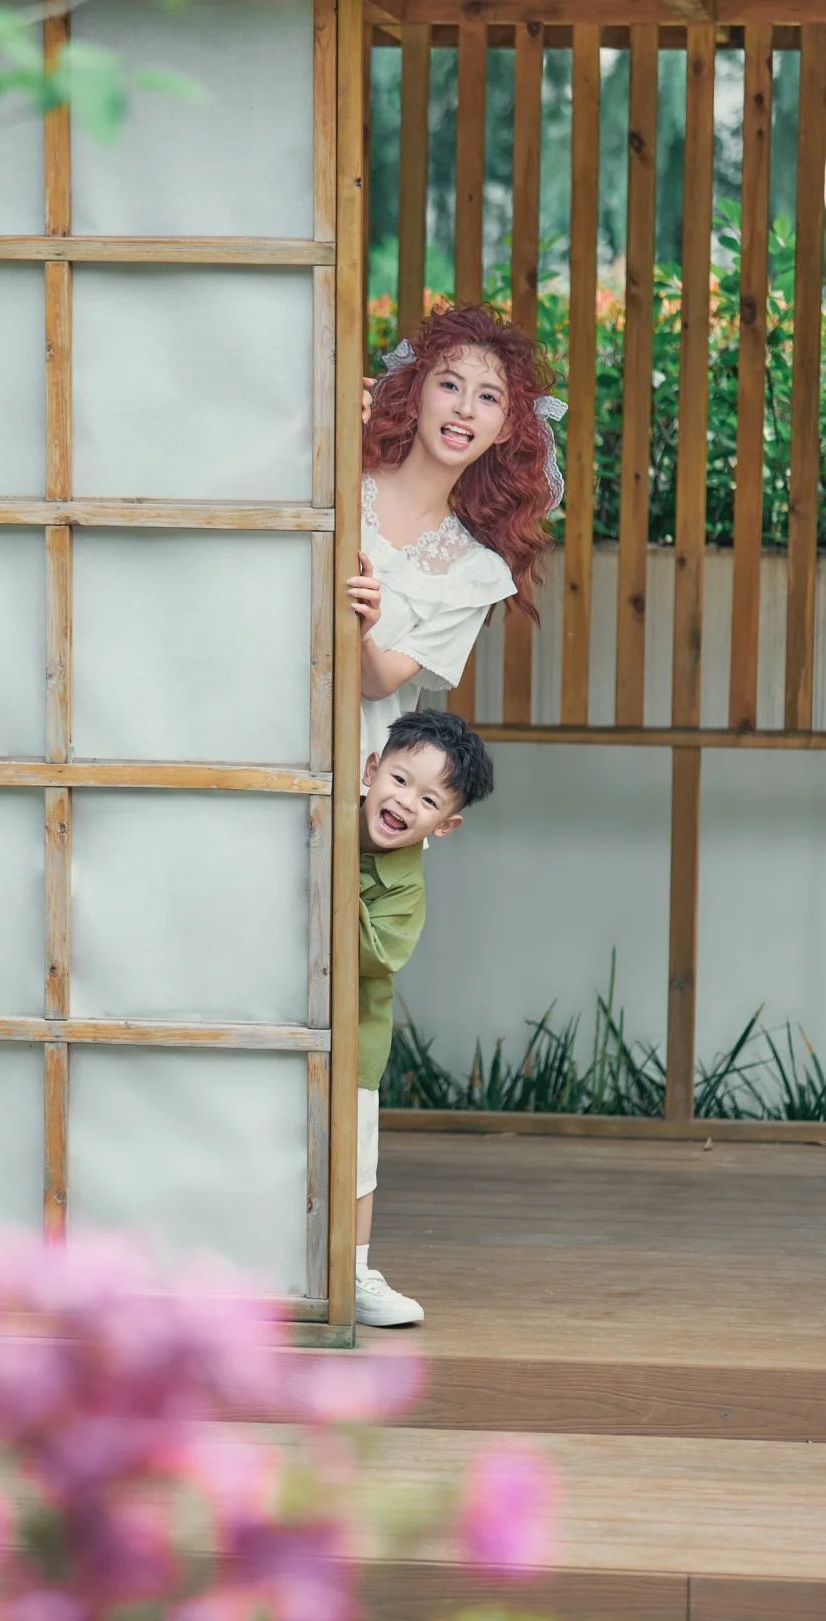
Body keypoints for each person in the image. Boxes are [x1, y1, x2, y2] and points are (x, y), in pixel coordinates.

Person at [346, 302, 565, 1327]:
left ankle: (346, 1261)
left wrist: (357, 614)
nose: (464, 408)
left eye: (490, 397)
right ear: (413, 387)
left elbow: (383, 676)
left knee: (353, 1022)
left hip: (363, 781)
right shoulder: (332, 472)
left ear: (508, 429)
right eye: (450, 382)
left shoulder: (475, 567)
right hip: (239, 741)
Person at [356, 708, 494, 1327]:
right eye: (400, 779)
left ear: (447, 825)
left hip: (354, 1035)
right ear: (370, 769)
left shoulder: (406, 888)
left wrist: (333, 874)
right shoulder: (317, 816)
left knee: (355, 1158)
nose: (406, 802)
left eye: (429, 800)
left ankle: (353, 1270)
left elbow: (377, 953)